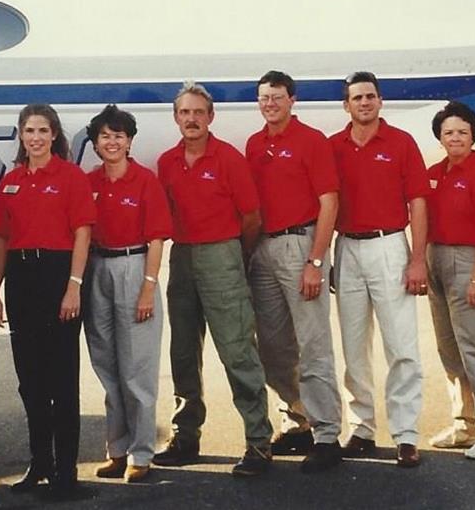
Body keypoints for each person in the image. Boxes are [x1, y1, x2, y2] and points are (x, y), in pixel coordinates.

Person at [155, 82, 274, 477]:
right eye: (184, 113)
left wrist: (233, 258)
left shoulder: (228, 158)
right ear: (176, 118)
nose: (191, 119)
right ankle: (185, 436)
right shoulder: (167, 162)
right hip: (183, 257)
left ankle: (258, 443)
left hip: (222, 255)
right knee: (184, 353)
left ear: (210, 117)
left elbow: (251, 218)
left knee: (237, 350)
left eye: (198, 112)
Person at [0, 104, 95, 498]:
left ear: (54, 136)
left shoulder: (70, 177)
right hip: (21, 279)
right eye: (29, 130)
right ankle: (40, 463)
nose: (35, 137)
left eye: (42, 131)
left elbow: (82, 233)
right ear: (21, 135)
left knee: (62, 381)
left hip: (57, 276)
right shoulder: (11, 181)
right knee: (30, 381)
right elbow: (2, 237)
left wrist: (73, 286)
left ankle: (66, 473)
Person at [328, 71, 428, 468]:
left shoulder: (401, 143)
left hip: (390, 246)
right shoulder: (334, 146)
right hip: (348, 247)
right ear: (346, 105)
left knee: (401, 345)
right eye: (357, 98)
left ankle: (405, 434)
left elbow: (418, 202)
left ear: (380, 101)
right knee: (354, 347)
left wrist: (417, 258)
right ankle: (362, 427)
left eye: (370, 96)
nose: (364, 103)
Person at [245, 70, 343, 473]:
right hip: (263, 248)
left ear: (292, 100)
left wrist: (316, 261)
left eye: (277, 97)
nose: (270, 104)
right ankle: (296, 416)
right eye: (264, 98)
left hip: (300, 245)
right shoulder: (254, 144)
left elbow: (329, 202)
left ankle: (327, 434)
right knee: (272, 345)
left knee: (313, 342)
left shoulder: (311, 141)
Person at [82, 105, 172, 483]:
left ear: (130, 141)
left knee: (138, 370)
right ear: (96, 143)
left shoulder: (145, 181)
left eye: (119, 135)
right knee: (107, 367)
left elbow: (156, 239)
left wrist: (148, 289)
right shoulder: (88, 182)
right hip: (97, 269)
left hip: (135, 269)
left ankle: (141, 452)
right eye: (105, 136)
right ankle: (116, 449)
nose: (112, 142)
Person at [425, 101, 475, 460]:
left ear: (473, 134)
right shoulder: (434, 172)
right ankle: (464, 423)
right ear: (439, 137)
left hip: (470, 261)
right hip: (436, 260)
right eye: (448, 132)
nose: (455, 137)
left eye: (462, 131)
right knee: (449, 350)